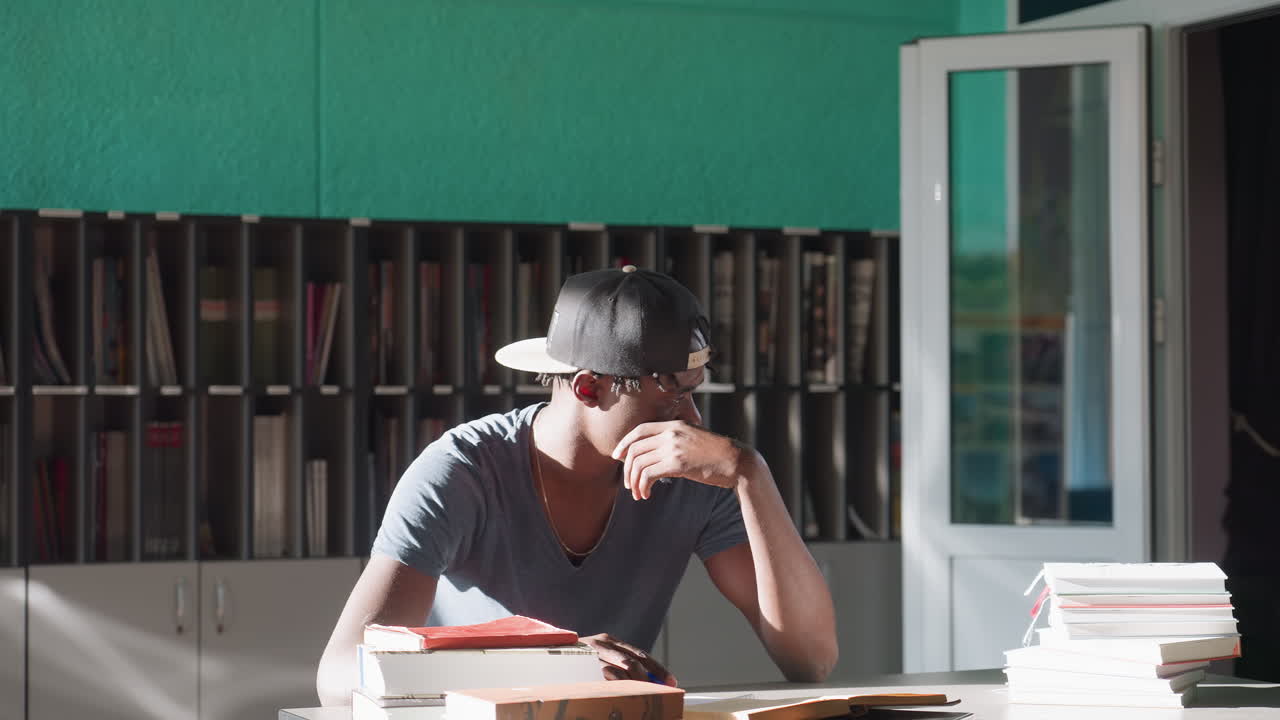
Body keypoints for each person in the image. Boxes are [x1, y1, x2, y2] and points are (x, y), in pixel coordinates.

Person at [316, 265, 837, 706]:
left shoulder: (690, 470)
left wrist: (751, 473)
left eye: (694, 395)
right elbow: (339, 677)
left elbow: (811, 658)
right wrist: (554, 664)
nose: (692, 420)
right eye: (671, 397)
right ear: (589, 387)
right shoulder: (463, 470)